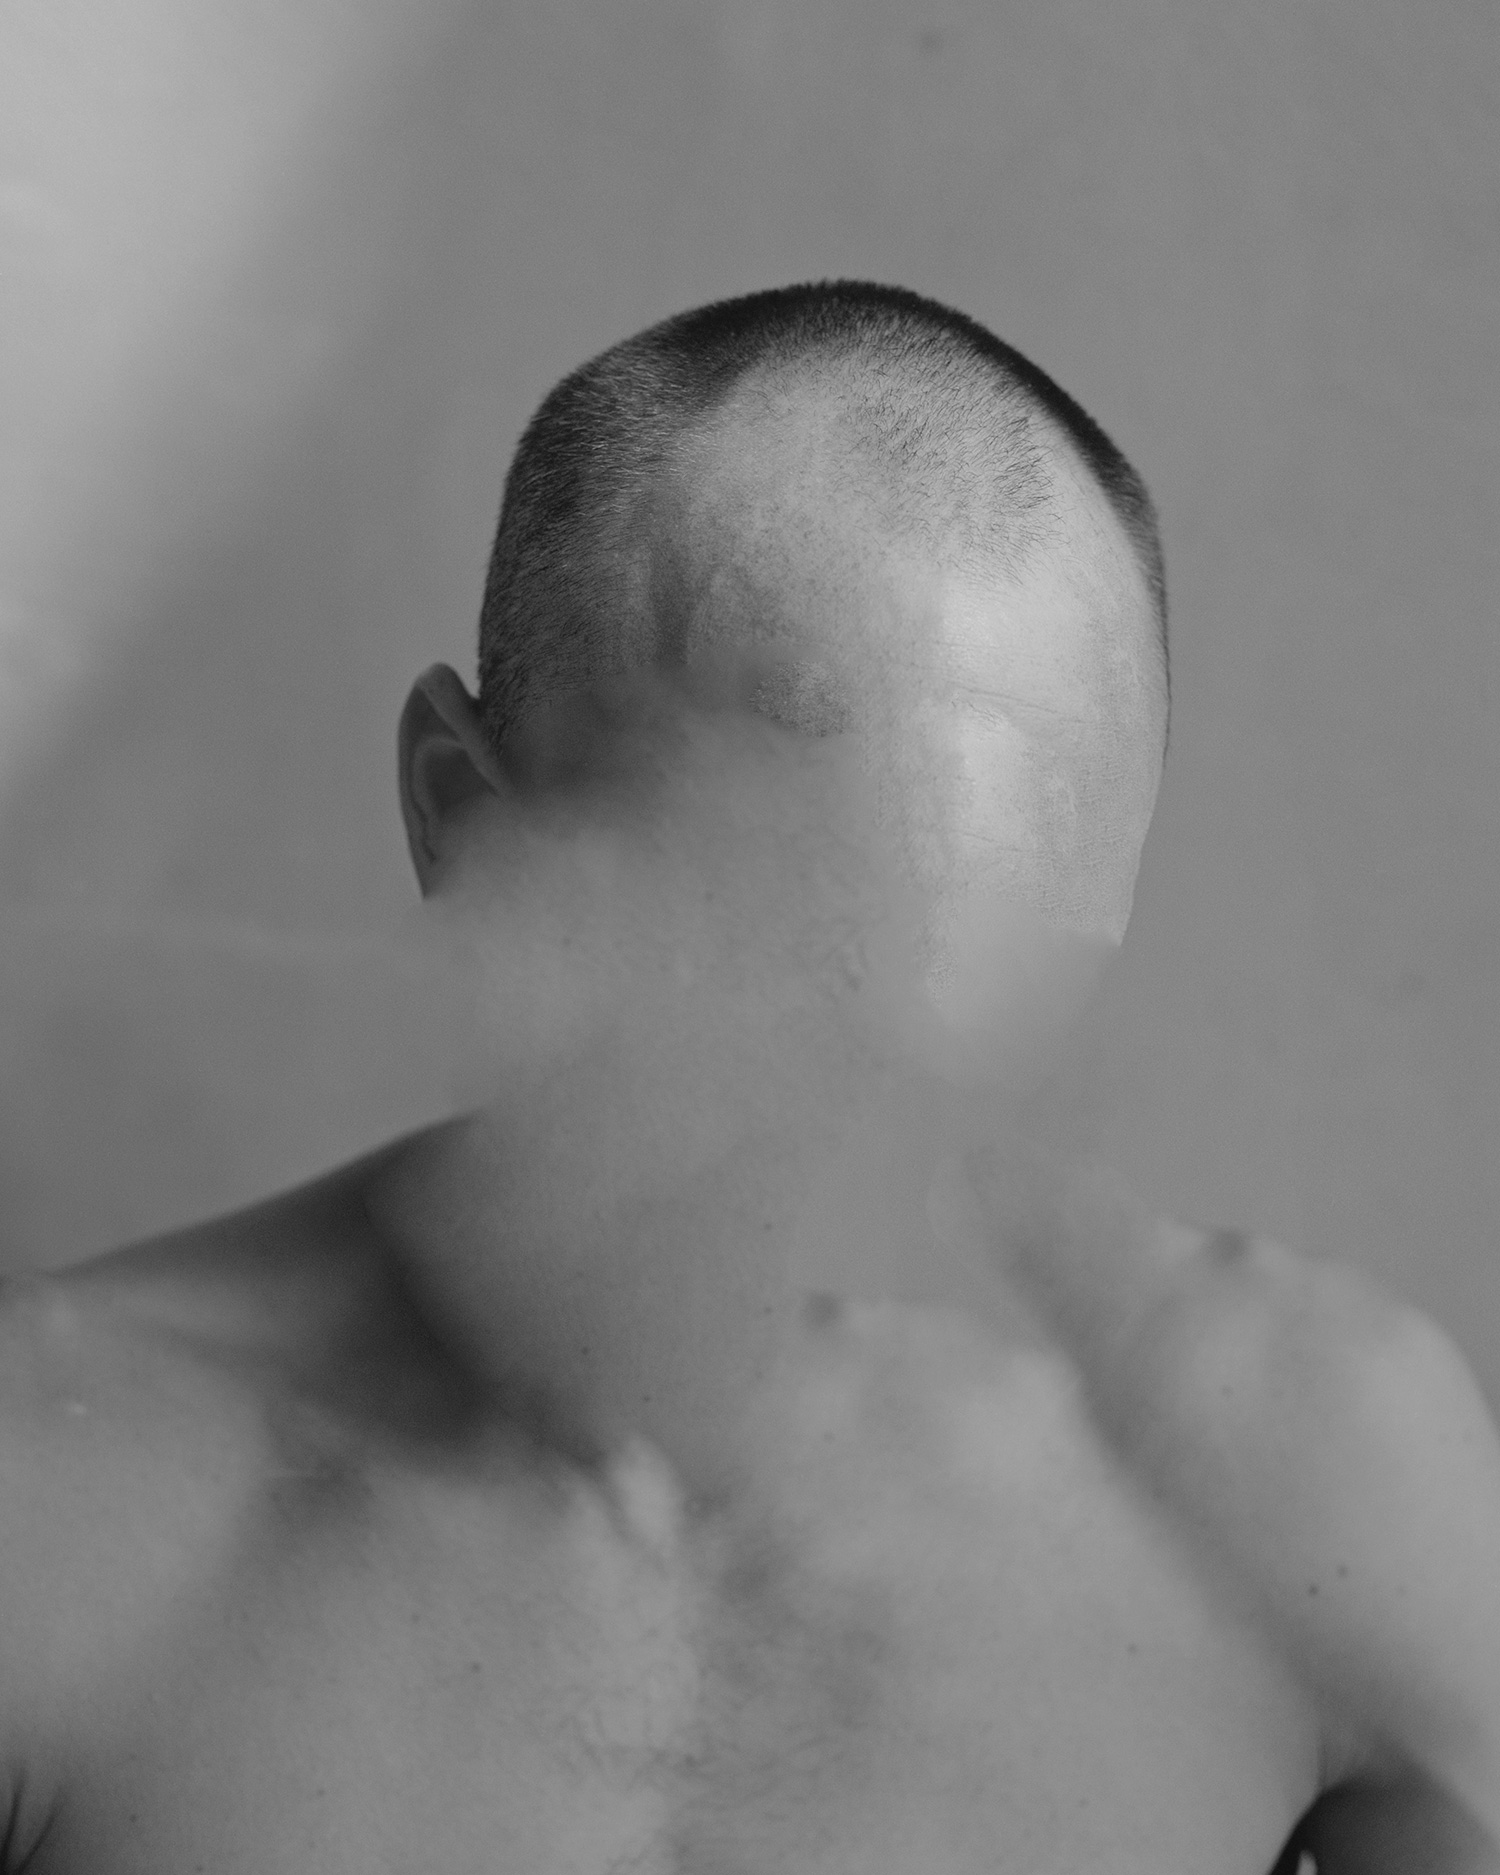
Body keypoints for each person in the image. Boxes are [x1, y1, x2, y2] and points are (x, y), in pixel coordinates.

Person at [0, 281, 1495, 1873]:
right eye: (771, 969)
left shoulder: (1307, 1498)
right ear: (461, 815)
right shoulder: (48, 1506)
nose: (881, 1127)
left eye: (1020, 979)